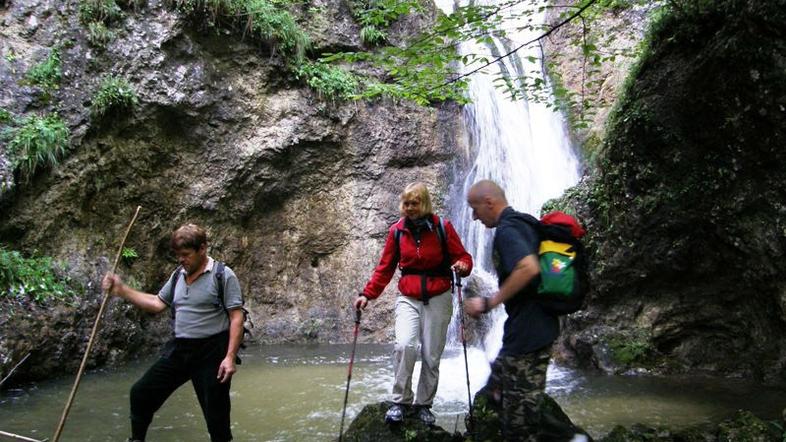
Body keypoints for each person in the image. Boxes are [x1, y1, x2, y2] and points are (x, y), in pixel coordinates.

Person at [102, 224, 244, 442]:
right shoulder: (178, 275)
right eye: (178, 255)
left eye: (186, 255)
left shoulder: (222, 275)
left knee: (217, 420)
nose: (181, 260)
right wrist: (122, 290)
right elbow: (158, 303)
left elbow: (236, 317)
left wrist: (229, 358)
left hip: (212, 353)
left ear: (203, 249)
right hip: (180, 350)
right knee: (141, 393)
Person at [355, 182, 473, 425]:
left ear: (425, 203)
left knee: (431, 354)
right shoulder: (397, 232)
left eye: (414, 203)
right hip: (408, 297)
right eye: (406, 203)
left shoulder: (442, 227)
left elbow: (463, 256)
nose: (409, 208)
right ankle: (400, 401)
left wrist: (463, 266)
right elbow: (385, 268)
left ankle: (423, 405)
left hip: (438, 297)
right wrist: (368, 294)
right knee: (404, 345)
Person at [464, 180, 559, 441]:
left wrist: (488, 302)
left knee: (518, 425)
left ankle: (570, 436)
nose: (473, 216)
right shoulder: (525, 222)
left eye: (474, 208)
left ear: (489, 203)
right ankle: (564, 432)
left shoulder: (508, 230)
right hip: (527, 330)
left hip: (530, 333)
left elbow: (529, 268)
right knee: (497, 391)